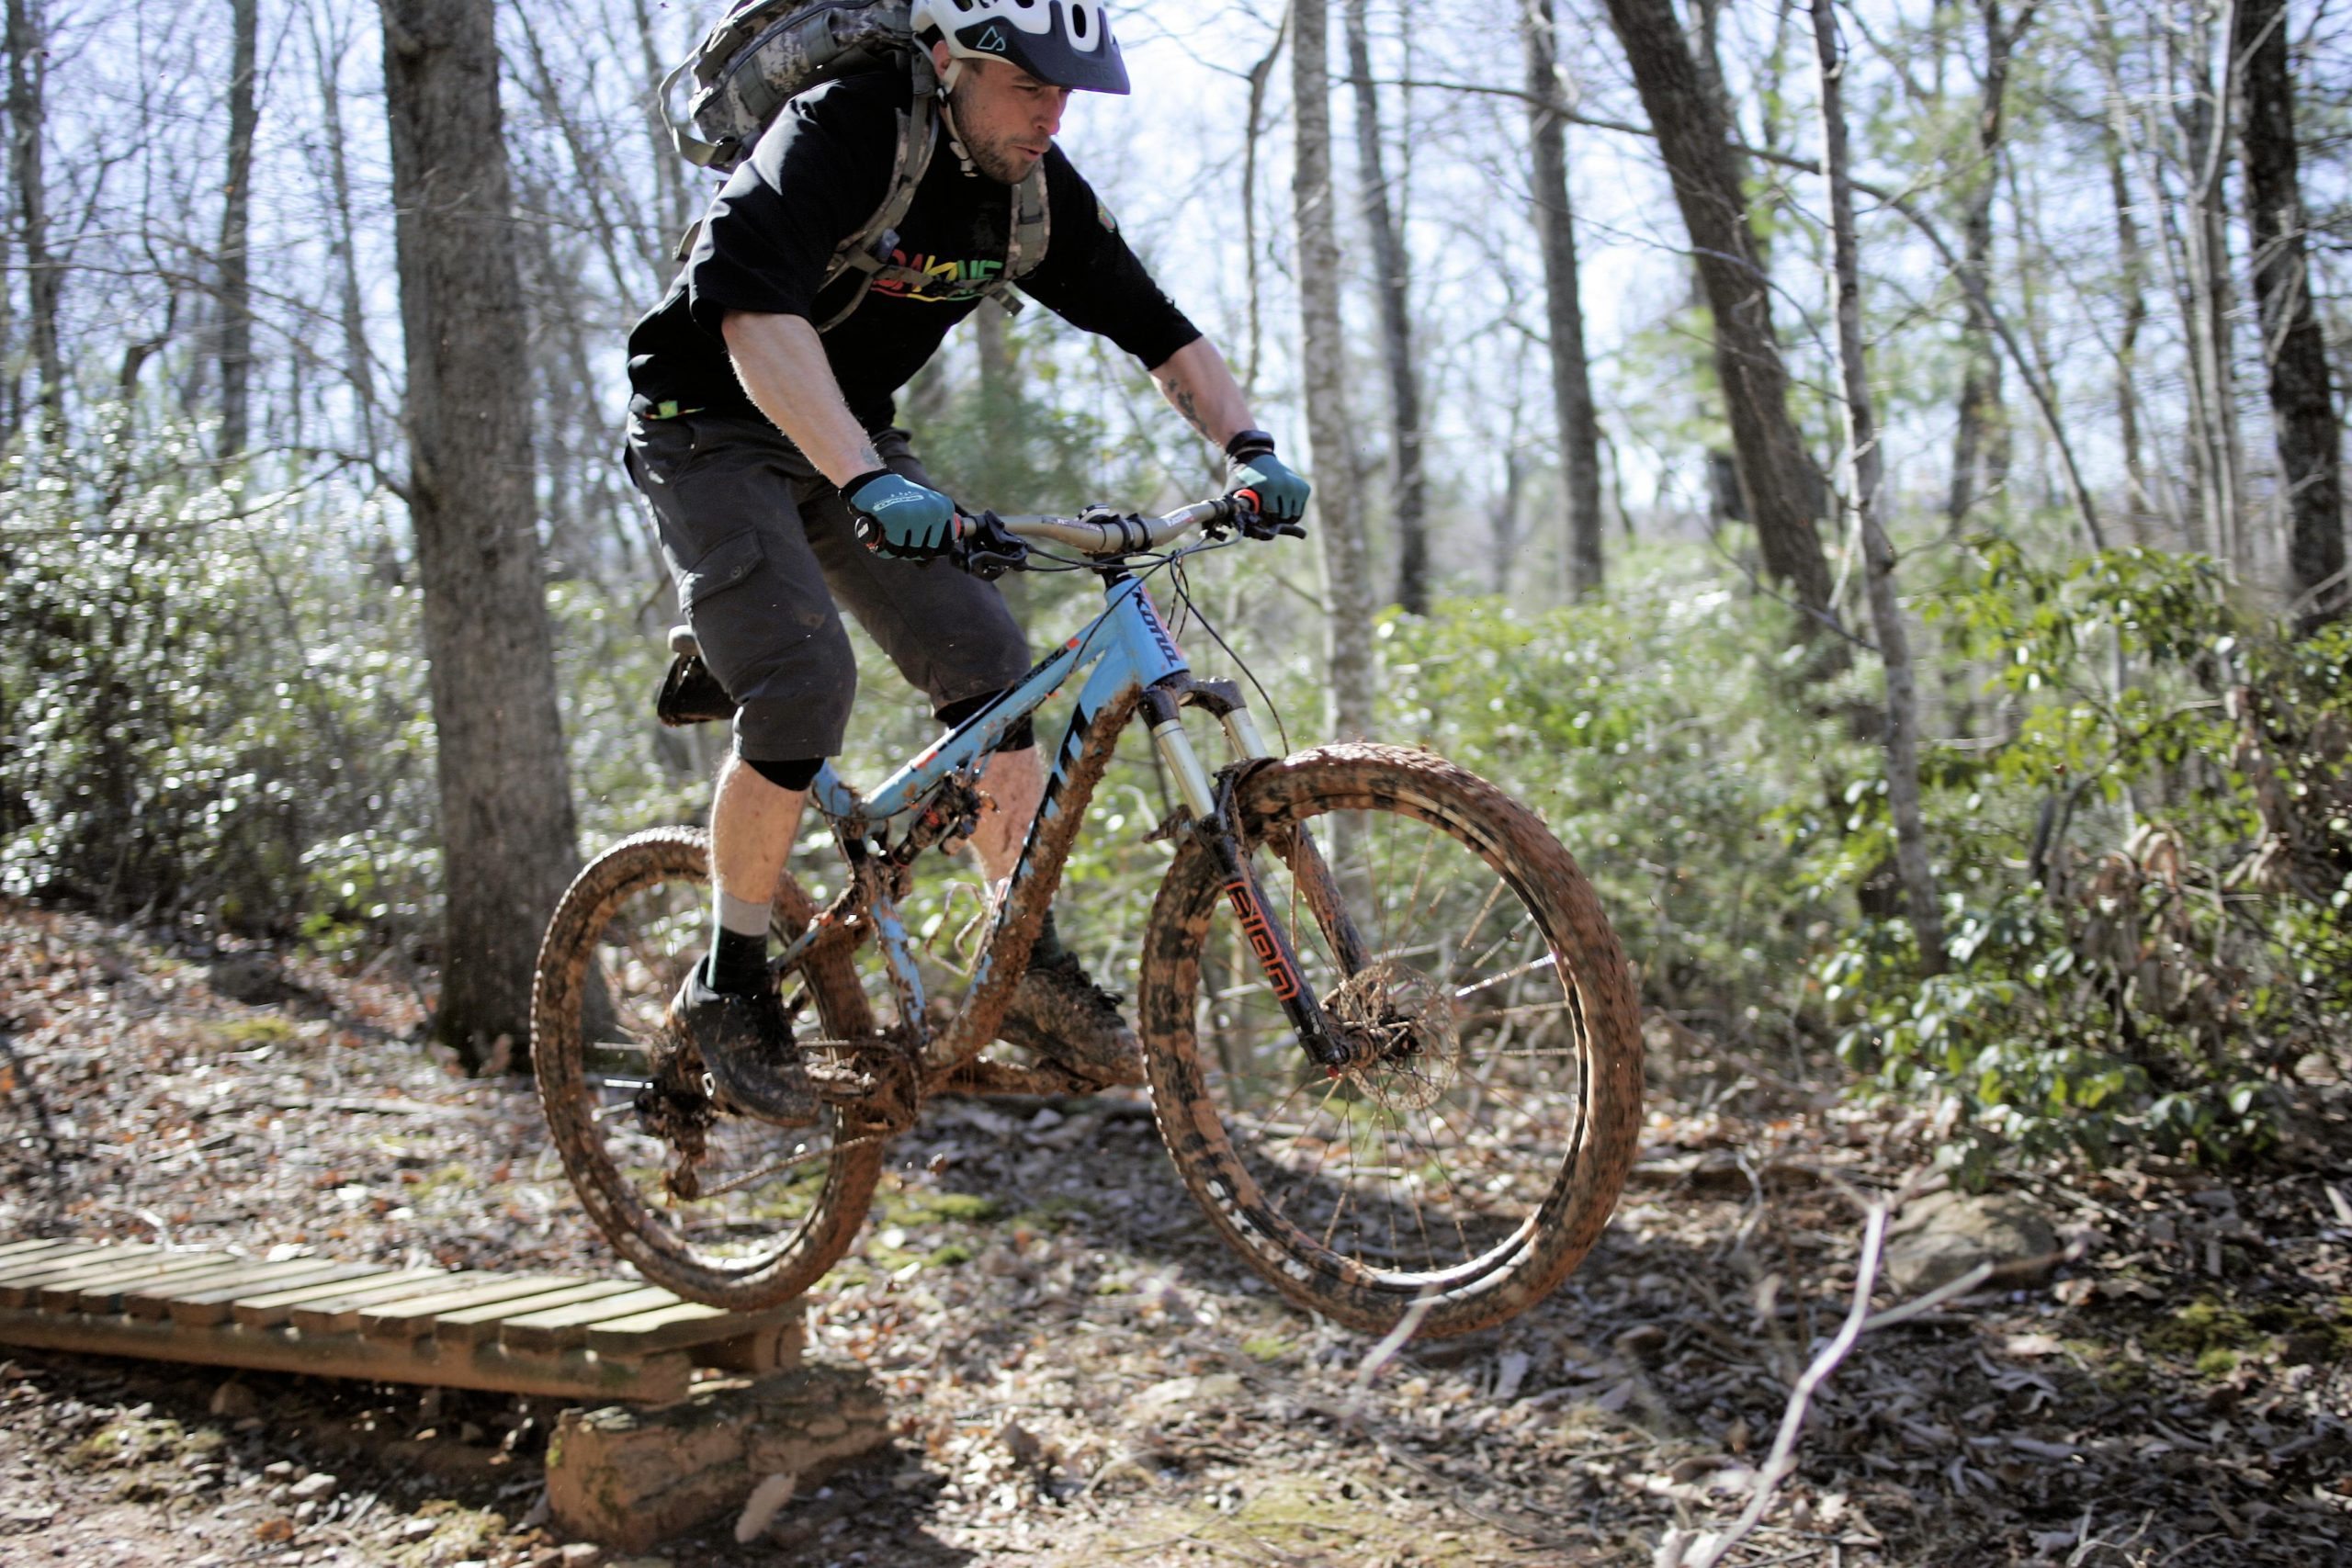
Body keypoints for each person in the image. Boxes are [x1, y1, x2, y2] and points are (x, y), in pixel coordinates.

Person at [621, 0, 1310, 1125]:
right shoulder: (847, 127)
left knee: (988, 657)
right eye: (1028, 86)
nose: (1051, 115)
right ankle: (728, 981)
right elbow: (748, 310)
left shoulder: (1029, 191)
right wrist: (862, 479)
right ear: (950, 59)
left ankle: (1017, 952)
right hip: (708, 420)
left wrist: (1250, 445)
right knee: (804, 683)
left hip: (848, 436)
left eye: (1067, 93)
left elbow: (1156, 326)